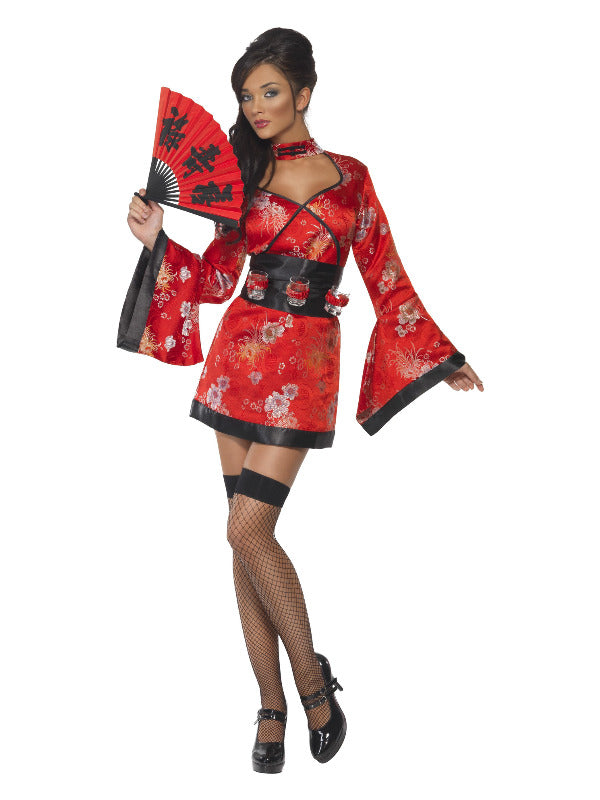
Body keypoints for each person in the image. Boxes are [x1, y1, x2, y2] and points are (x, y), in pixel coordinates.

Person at [120, 27, 484, 773]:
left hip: (305, 370)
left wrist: (439, 355)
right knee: (241, 538)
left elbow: (386, 275)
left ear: (304, 93)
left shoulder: (352, 177)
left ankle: (313, 683)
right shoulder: (241, 178)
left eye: (270, 91)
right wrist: (157, 238)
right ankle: (271, 705)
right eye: (246, 95)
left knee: (248, 529)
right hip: (238, 361)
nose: (256, 106)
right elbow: (216, 280)